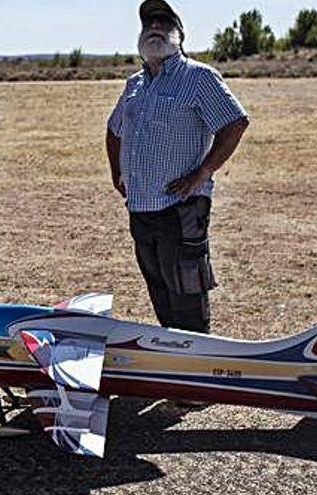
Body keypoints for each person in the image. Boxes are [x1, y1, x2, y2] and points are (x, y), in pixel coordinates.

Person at [106, 0, 249, 334]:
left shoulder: (198, 77)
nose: (154, 27)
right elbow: (113, 130)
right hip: (141, 208)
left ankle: (197, 368)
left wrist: (202, 174)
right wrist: (117, 173)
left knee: (187, 294)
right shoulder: (134, 85)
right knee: (159, 291)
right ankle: (174, 368)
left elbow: (235, 123)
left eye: (163, 22)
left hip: (182, 208)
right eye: (148, 23)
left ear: (179, 35)